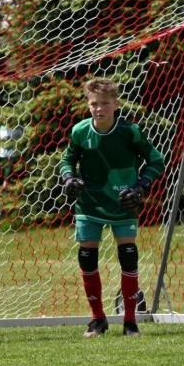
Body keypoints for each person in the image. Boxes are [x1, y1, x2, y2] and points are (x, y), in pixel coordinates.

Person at [59, 77, 165, 338]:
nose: (99, 108)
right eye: (94, 103)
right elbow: (67, 160)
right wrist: (69, 177)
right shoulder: (80, 131)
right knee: (86, 257)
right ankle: (97, 320)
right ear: (88, 104)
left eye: (105, 103)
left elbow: (156, 160)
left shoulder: (130, 131)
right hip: (89, 203)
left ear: (116, 104)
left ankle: (130, 322)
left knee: (128, 255)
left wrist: (141, 186)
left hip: (123, 202)